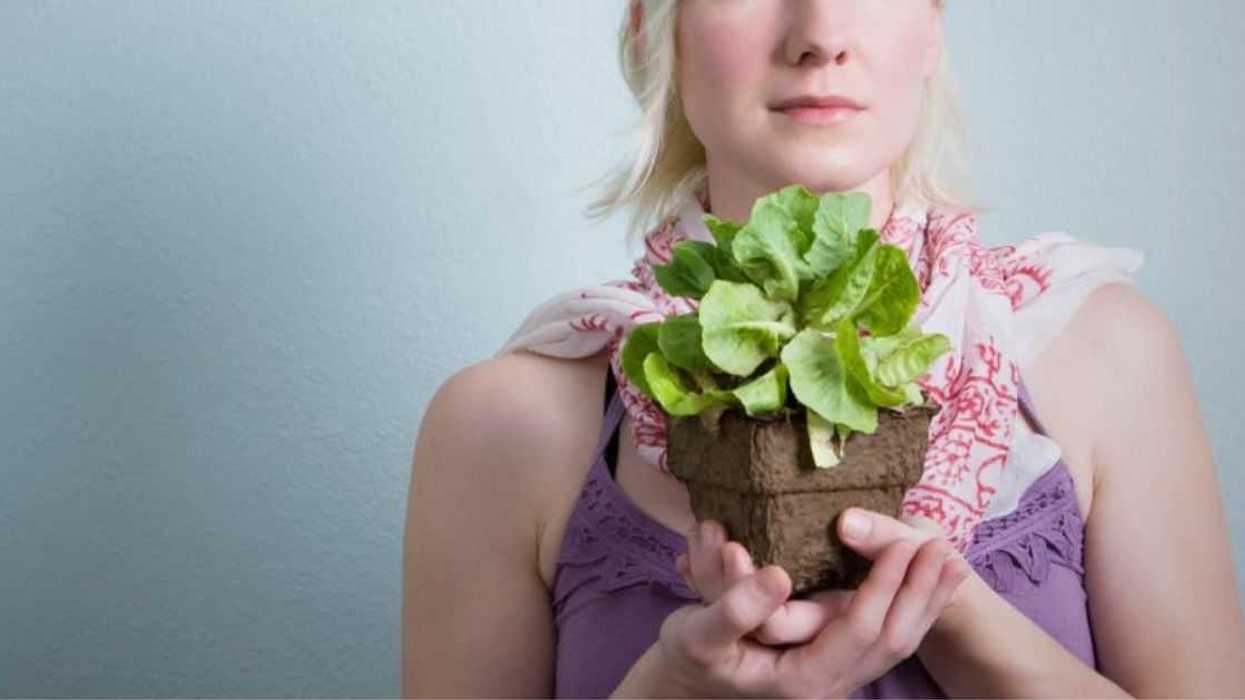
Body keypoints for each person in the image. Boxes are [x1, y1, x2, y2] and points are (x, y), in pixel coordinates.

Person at [402, 1, 1245, 697]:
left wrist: (962, 628)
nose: (820, 35)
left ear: (931, 27)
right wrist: (672, 687)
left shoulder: (1102, 355)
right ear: (651, 31)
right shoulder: (505, 424)